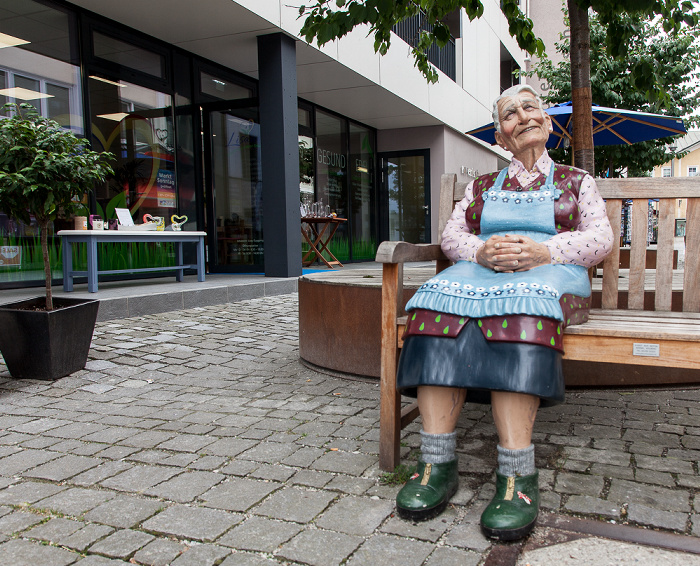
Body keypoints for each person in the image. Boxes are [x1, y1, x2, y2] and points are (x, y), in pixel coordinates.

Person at [394, 84, 614, 541]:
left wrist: (545, 250)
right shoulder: (480, 187)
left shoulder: (577, 182)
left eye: (530, 107)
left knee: (521, 312)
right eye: (510, 114)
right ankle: (436, 464)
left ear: (548, 122)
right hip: (482, 275)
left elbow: (600, 239)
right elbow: (453, 237)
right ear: (500, 135)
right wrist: (480, 252)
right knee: (433, 305)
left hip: (552, 275)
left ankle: (516, 477)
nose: (524, 117)